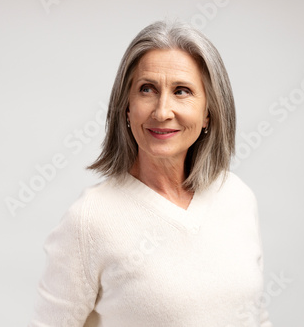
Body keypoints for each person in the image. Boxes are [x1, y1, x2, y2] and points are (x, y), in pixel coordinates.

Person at [29, 20, 272, 327]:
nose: (162, 111)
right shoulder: (90, 220)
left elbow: (256, 317)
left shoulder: (236, 196)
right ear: (126, 108)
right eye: (147, 89)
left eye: (182, 91)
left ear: (208, 112)